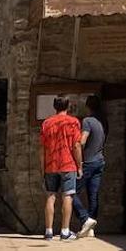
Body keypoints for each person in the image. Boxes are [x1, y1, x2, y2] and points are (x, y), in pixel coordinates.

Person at [40, 94, 83, 241]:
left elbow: (43, 148)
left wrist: (42, 168)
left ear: (54, 106)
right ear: (68, 106)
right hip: (67, 162)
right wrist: (79, 165)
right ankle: (65, 230)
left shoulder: (46, 123)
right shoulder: (73, 122)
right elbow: (76, 145)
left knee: (50, 195)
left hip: (51, 163)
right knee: (67, 195)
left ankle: (48, 230)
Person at [72, 94, 106, 237]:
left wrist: (78, 149)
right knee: (93, 195)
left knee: (71, 192)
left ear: (87, 106)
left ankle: (85, 219)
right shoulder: (104, 121)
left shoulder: (87, 121)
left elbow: (83, 140)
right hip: (99, 160)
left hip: (88, 162)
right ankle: (90, 228)